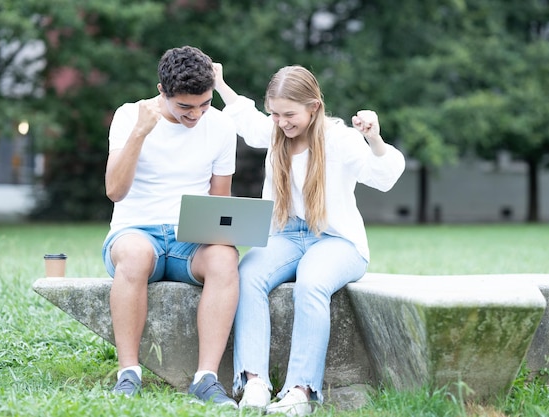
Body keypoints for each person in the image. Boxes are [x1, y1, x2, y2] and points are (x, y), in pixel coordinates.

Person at [213, 63, 405, 415]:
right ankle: (254, 381)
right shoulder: (274, 132)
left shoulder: (340, 138)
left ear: (313, 107)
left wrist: (374, 137)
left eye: (289, 114)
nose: (281, 122)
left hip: (336, 241)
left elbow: (384, 176)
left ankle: (300, 392)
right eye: (274, 113)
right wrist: (220, 84)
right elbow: (245, 117)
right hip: (286, 234)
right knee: (248, 274)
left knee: (311, 282)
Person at [102, 46, 239, 407]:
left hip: (189, 239)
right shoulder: (130, 116)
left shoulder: (222, 125)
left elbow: (219, 200)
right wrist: (140, 134)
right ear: (162, 91)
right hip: (135, 232)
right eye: (185, 107)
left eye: (204, 105)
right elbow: (115, 191)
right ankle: (128, 373)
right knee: (134, 255)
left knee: (225, 258)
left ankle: (206, 379)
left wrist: (227, 233)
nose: (196, 115)